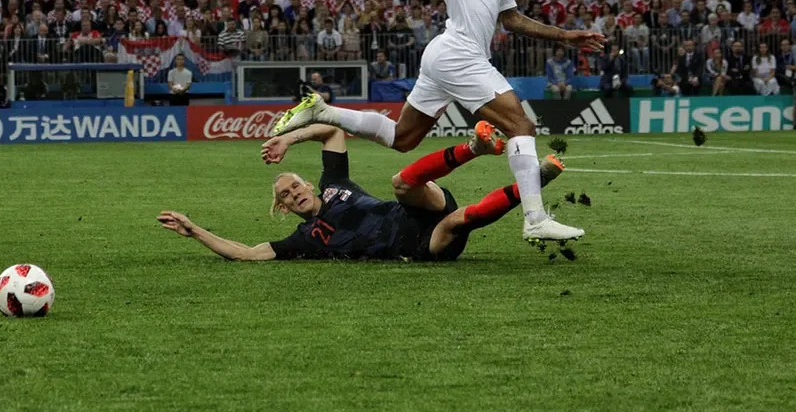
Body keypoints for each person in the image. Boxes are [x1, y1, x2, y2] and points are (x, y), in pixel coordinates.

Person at [273, 0, 605, 244]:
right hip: (459, 53)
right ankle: (534, 217)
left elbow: (513, 19)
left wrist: (566, 36)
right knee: (521, 126)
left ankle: (323, 111)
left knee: (403, 139)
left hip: (446, 55)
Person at [156, 122, 565, 261]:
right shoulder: (304, 238)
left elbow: (333, 131)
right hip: (416, 245)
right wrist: (194, 230)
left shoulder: (335, 184)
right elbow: (246, 253)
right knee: (460, 220)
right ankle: (531, 183)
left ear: (308, 183)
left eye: (294, 184)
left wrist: (289, 139)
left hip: (411, 210)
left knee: (402, 183)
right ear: (283, 208)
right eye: (285, 196)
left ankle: (473, 147)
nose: (293, 193)